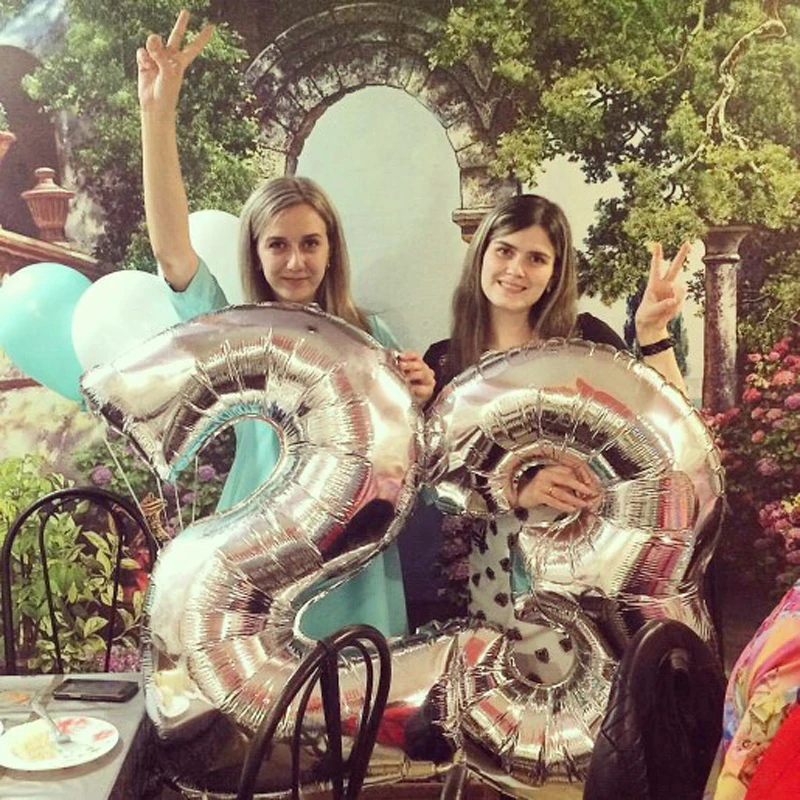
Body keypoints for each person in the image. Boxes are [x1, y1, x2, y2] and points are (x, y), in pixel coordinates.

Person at [137, 10, 434, 640]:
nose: (295, 261)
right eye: (278, 244)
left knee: (355, 693)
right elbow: (171, 252)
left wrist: (421, 399)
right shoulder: (239, 332)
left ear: (331, 248)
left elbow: (409, 460)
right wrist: (157, 116)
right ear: (256, 250)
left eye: (310, 243)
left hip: (353, 564)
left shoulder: (371, 337)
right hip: (256, 552)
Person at [417, 193, 689, 679]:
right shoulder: (445, 361)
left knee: (597, 693)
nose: (516, 270)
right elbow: (436, 480)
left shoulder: (585, 341)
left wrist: (651, 333)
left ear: (555, 272)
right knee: (510, 696)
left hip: (590, 563)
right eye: (504, 251)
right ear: (481, 255)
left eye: (536, 258)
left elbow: (672, 426)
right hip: (490, 573)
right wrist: (516, 489)